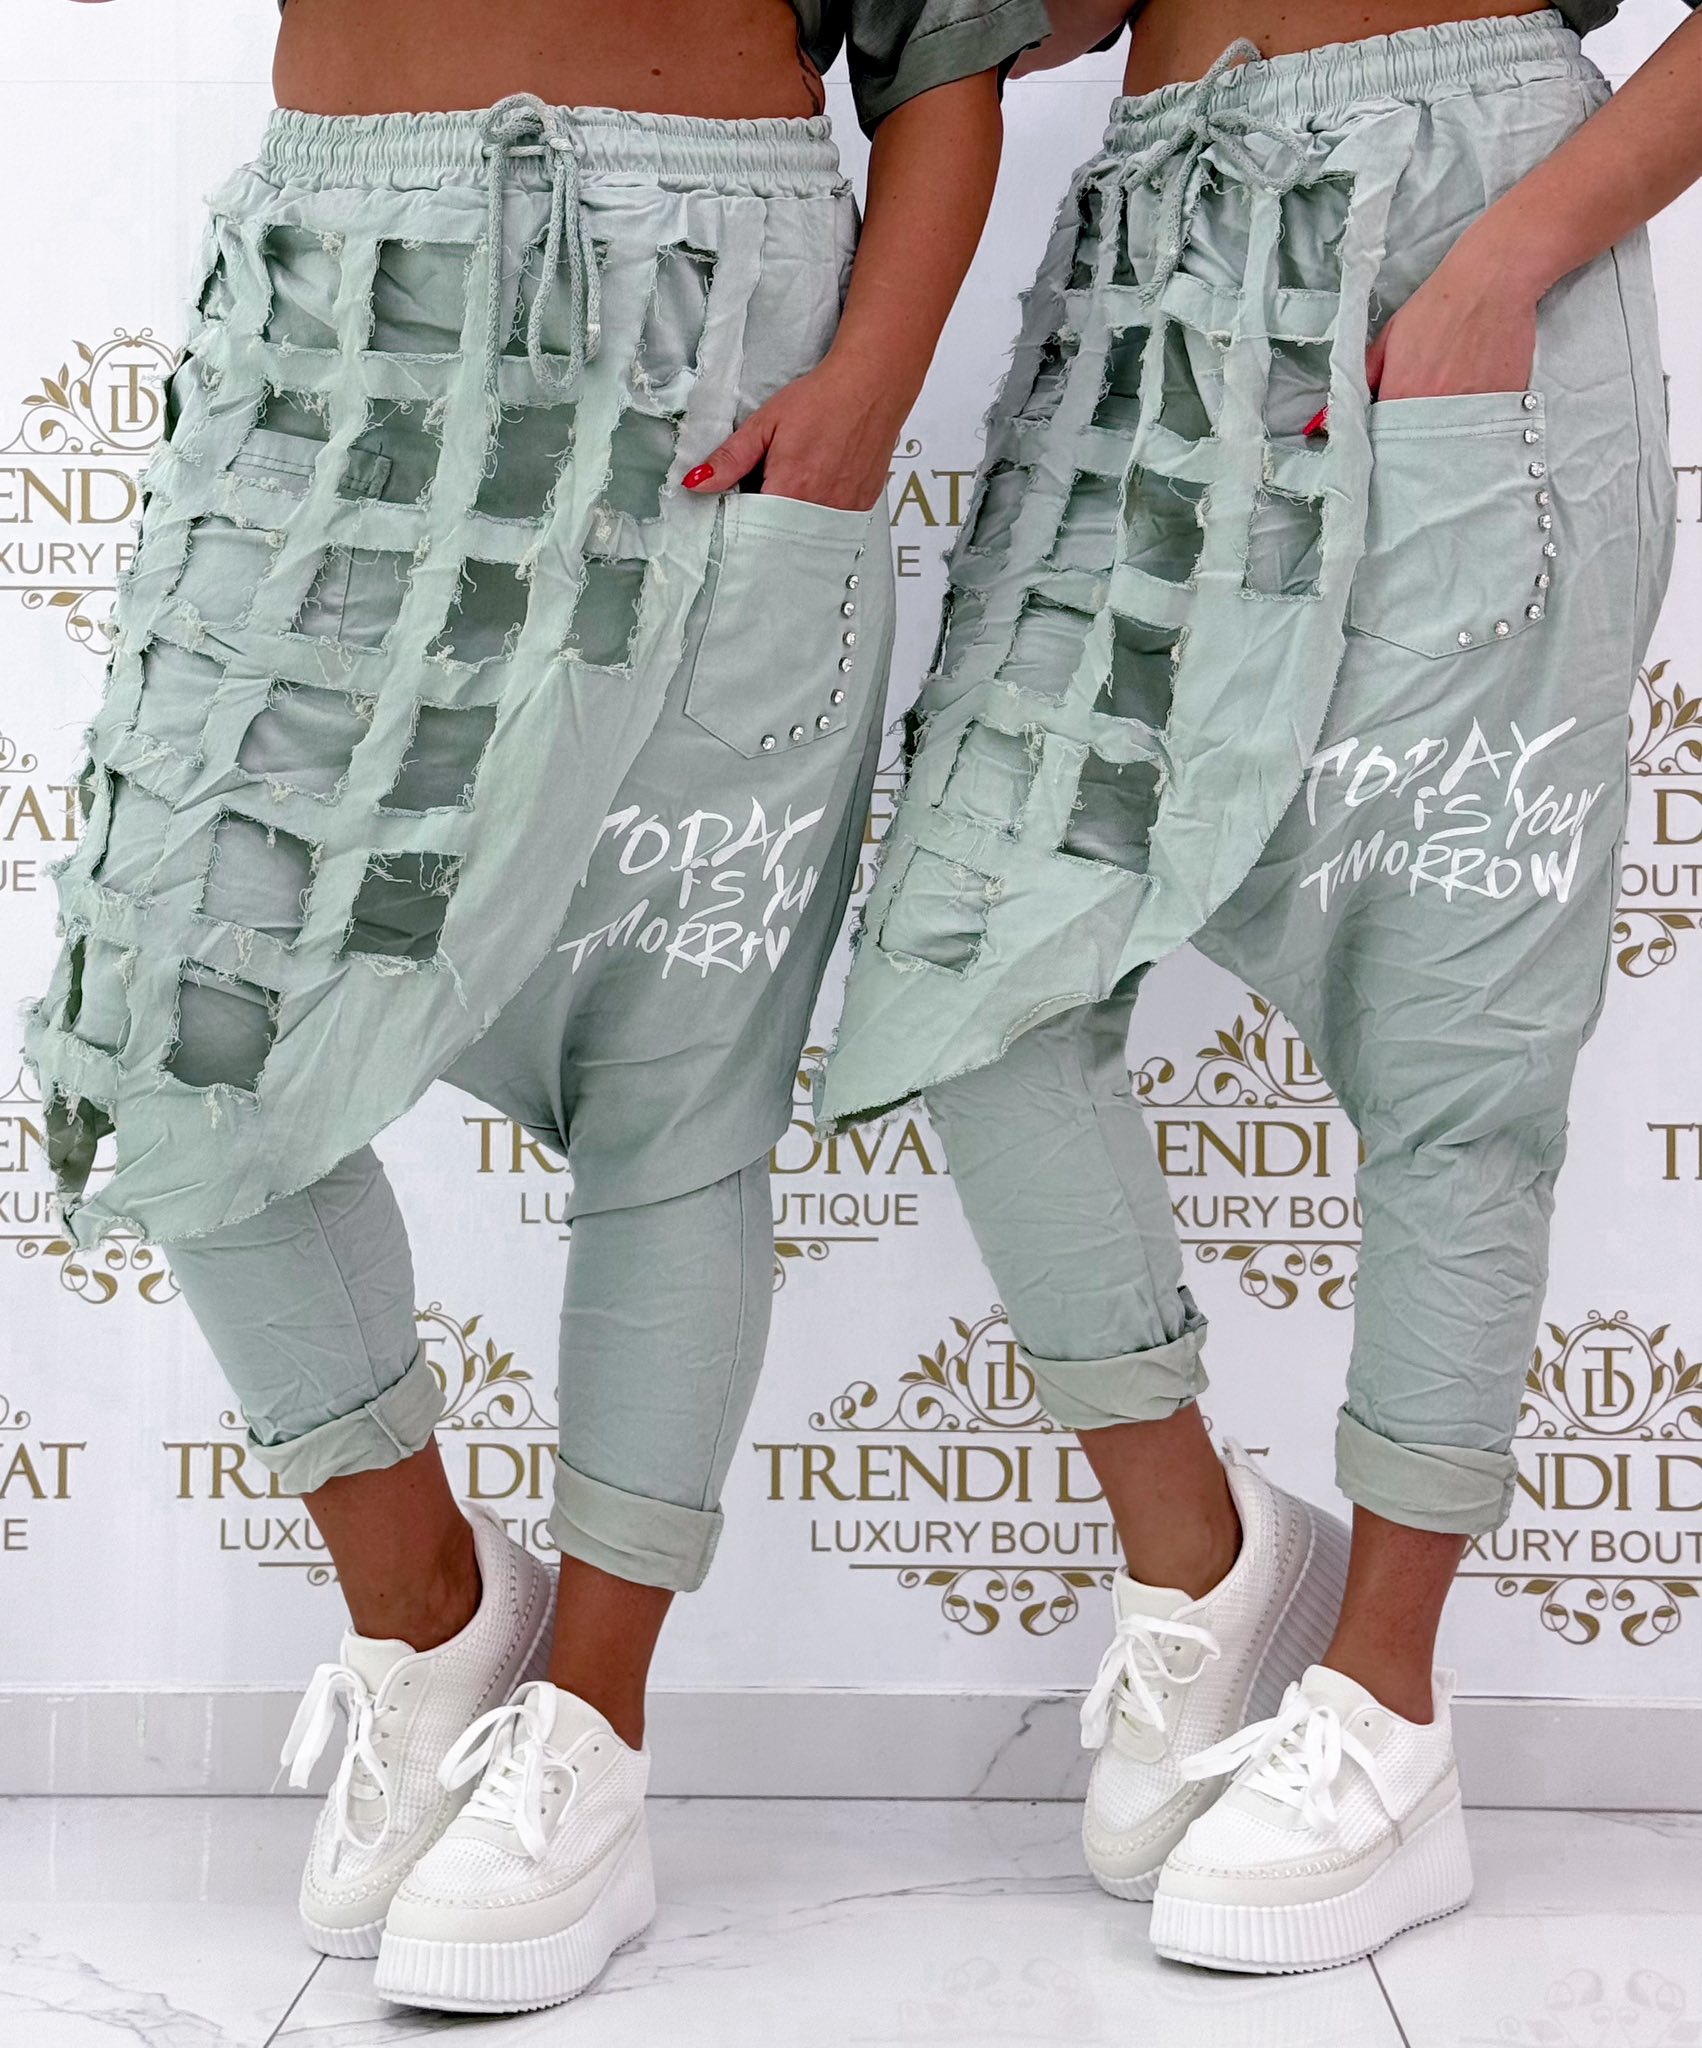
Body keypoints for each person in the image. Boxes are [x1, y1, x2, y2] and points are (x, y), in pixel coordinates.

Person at [18, 0, 1045, 2014]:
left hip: (713, 301)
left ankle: (589, 1732)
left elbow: (943, 52)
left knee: (673, 1076)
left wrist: (865, 394)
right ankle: (431, 1607)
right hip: (338, 296)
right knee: (177, 1026)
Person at [817, 0, 1698, 1973]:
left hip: (1470, 208)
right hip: (1157, 251)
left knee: (1454, 1024)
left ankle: (1385, 1708)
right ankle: (1203, 1564)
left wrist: (1507, 257)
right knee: (972, 963)